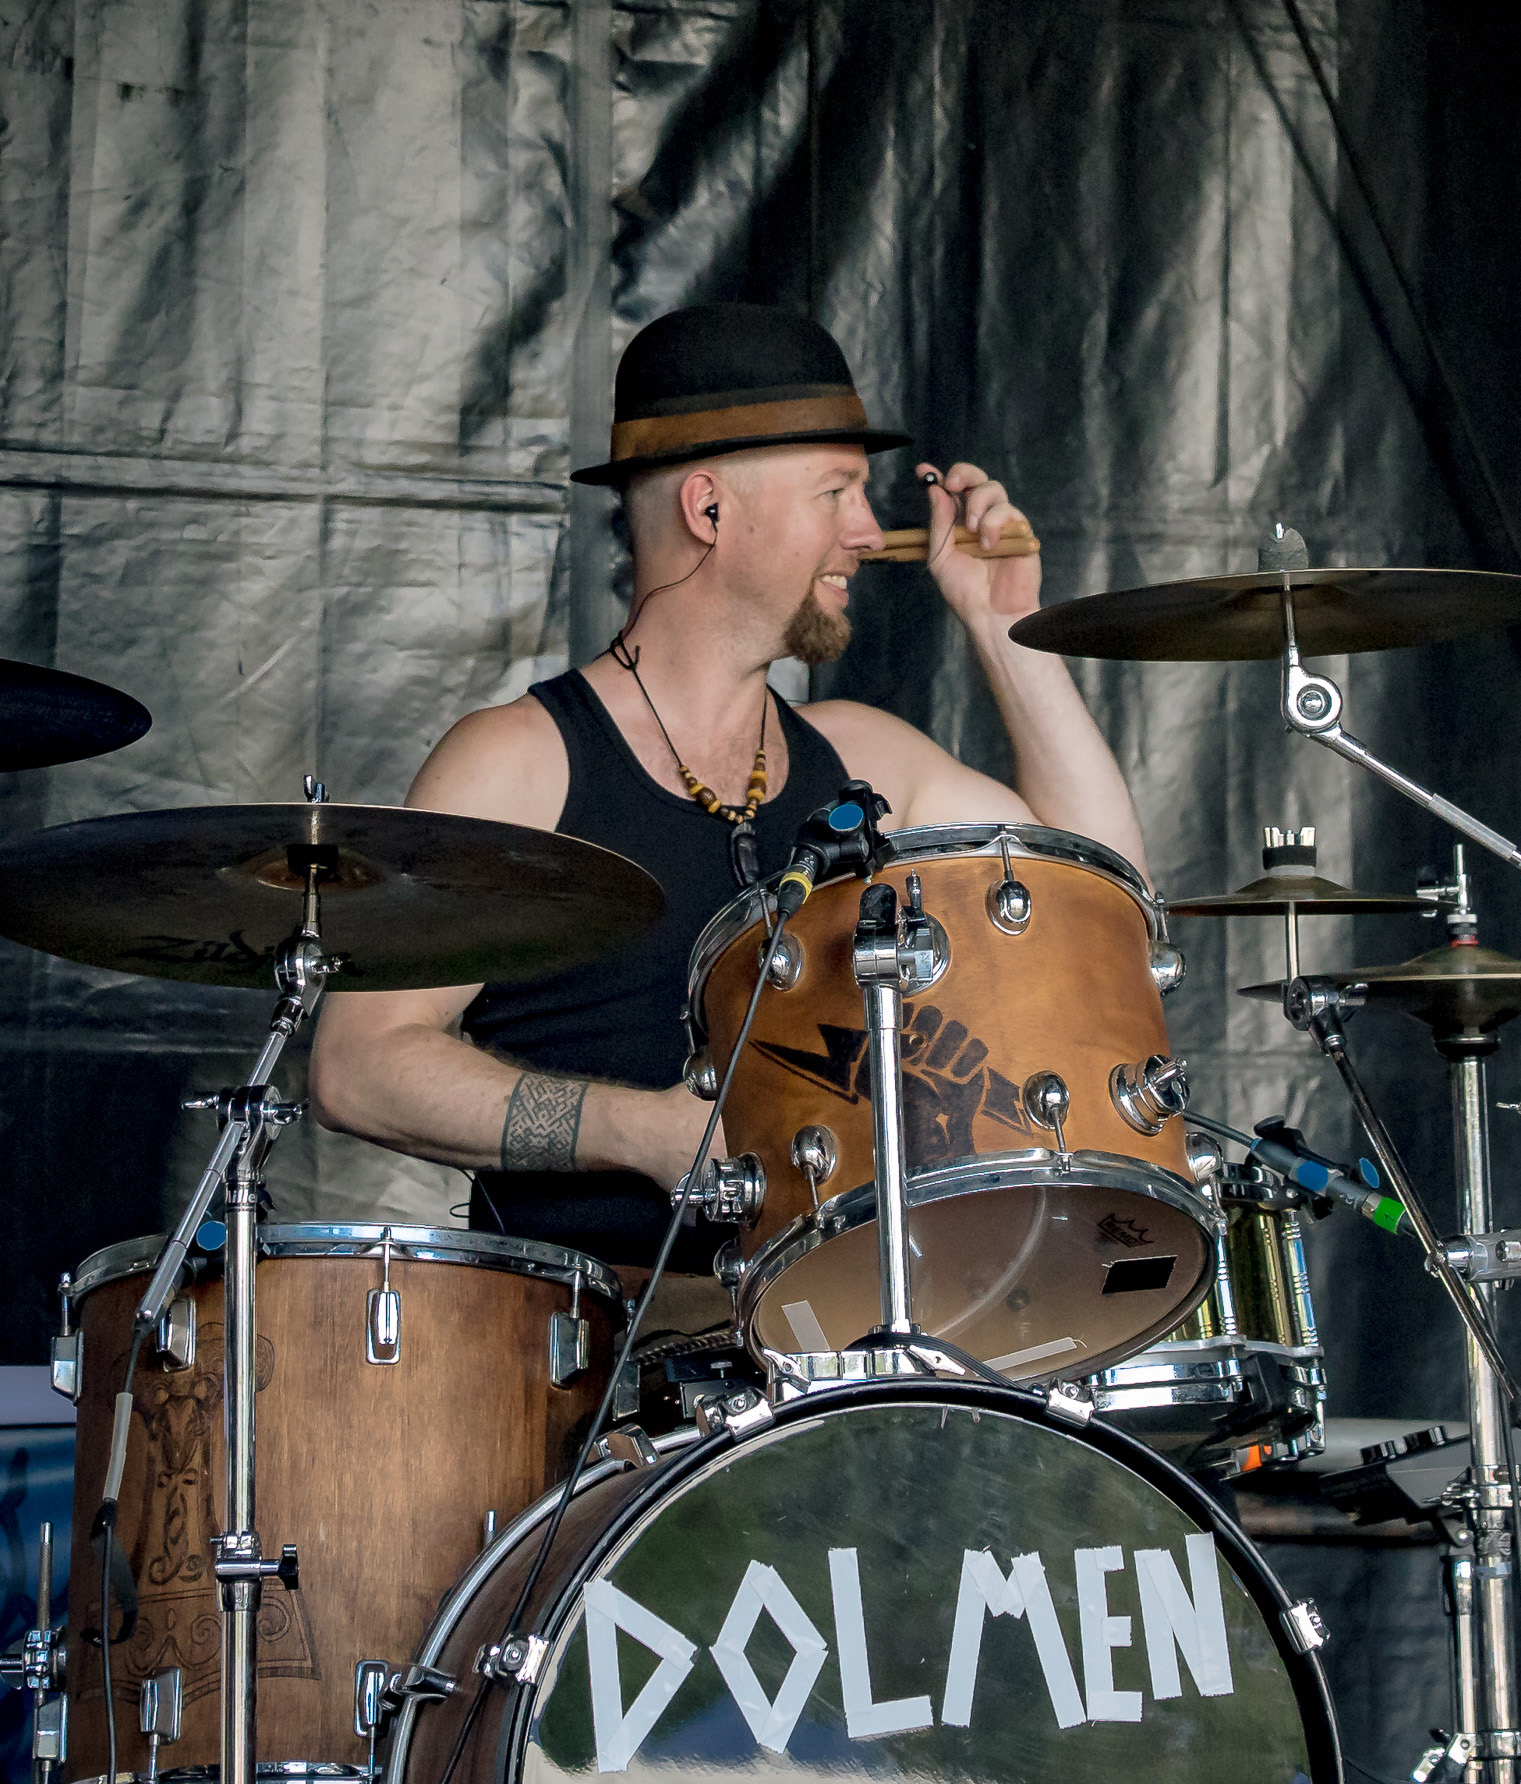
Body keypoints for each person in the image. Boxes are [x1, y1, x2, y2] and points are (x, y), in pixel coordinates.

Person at [310, 303, 1145, 1288]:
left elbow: (1104, 904)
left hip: (836, 1356)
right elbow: (355, 1067)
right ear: (708, 511)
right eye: (837, 492)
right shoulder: (518, 761)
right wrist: (644, 1130)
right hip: (591, 1377)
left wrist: (1006, 625)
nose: (872, 534)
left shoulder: (859, 755)